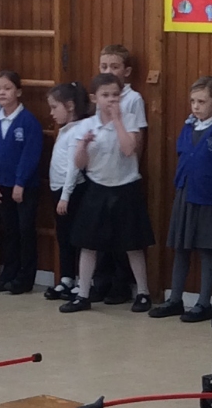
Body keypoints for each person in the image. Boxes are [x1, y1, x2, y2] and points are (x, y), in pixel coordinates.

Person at [61, 74, 154, 312]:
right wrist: (83, 145)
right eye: (105, 95)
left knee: (133, 244)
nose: (111, 99)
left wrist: (118, 120)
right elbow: (80, 163)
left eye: (115, 95)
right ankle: (83, 294)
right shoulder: (86, 125)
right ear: (95, 98)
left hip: (126, 187)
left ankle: (143, 293)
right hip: (98, 188)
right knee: (88, 244)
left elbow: (129, 149)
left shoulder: (129, 119)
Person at [151, 76, 212, 322]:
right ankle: (175, 299)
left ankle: (204, 303)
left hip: (208, 195)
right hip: (185, 191)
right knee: (181, 247)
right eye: (193, 101)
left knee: (207, 249)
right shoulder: (188, 127)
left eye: (202, 102)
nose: (196, 106)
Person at [91, 44, 150, 304]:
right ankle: (100, 282)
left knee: (123, 236)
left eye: (114, 67)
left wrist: (133, 165)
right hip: (101, 174)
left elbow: (139, 138)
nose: (109, 71)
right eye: (104, 66)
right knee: (100, 234)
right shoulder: (101, 95)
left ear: (126, 71)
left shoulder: (133, 99)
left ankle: (121, 285)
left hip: (124, 175)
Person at [0, 69, 43, 295]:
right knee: (9, 231)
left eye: (7, 88)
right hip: (1, 185)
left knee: (25, 231)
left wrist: (20, 182)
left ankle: (25, 278)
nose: (2, 93)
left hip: (24, 187)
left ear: (18, 92)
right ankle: (8, 273)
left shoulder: (28, 121)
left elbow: (30, 154)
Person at [44, 82, 94, 301]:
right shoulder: (66, 129)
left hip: (72, 191)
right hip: (59, 190)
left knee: (77, 237)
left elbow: (74, 167)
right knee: (63, 236)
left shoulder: (79, 130)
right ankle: (67, 278)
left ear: (70, 106)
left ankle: (84, 281)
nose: (51, 112)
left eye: (55, 107)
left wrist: (65, 196)